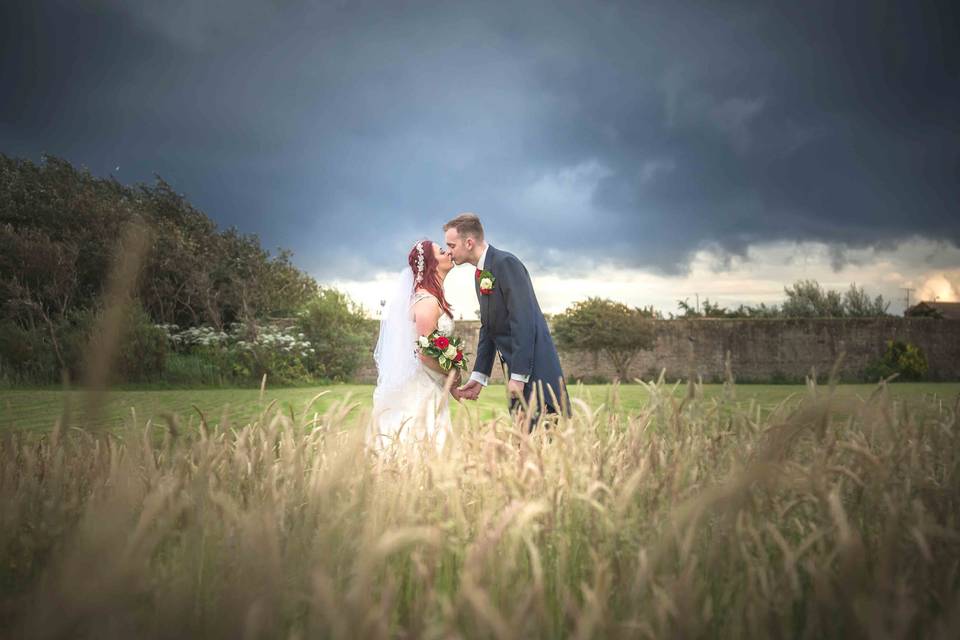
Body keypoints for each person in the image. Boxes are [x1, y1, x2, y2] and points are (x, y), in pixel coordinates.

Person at [443, 213, 569, 428]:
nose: (448, 252)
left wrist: (519, 375)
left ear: (469, 242)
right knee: (523, 448)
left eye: (451, 245)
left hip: (535, 375)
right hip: (518, 376)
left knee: (540, 448)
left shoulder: (506, 263)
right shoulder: (481, 274)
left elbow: (524, 321)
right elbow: (489, 328)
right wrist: (479, 376)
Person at [369, 239, 460, 452]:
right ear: (431, 263)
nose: (448, 253)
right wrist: (453, 373)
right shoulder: (427, 302)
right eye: (441, 251)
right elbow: (425, 354)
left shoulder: (426, 297)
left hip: (430, 382)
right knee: (420, 444)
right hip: (423, 386)